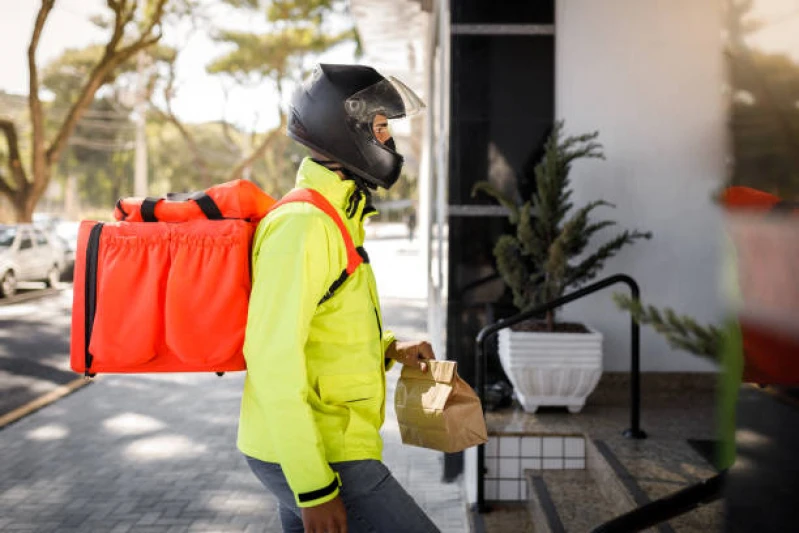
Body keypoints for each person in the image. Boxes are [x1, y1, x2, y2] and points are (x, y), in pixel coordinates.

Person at [238, 64, 441, 533]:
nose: (389, 141)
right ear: (343, 128)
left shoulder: (337, 213)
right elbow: (271, 358)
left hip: (322, 444)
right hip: (321, 453)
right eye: (380, 128)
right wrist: (313, 487)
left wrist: (389, 349)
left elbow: (327, 325)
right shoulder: (304, 225)